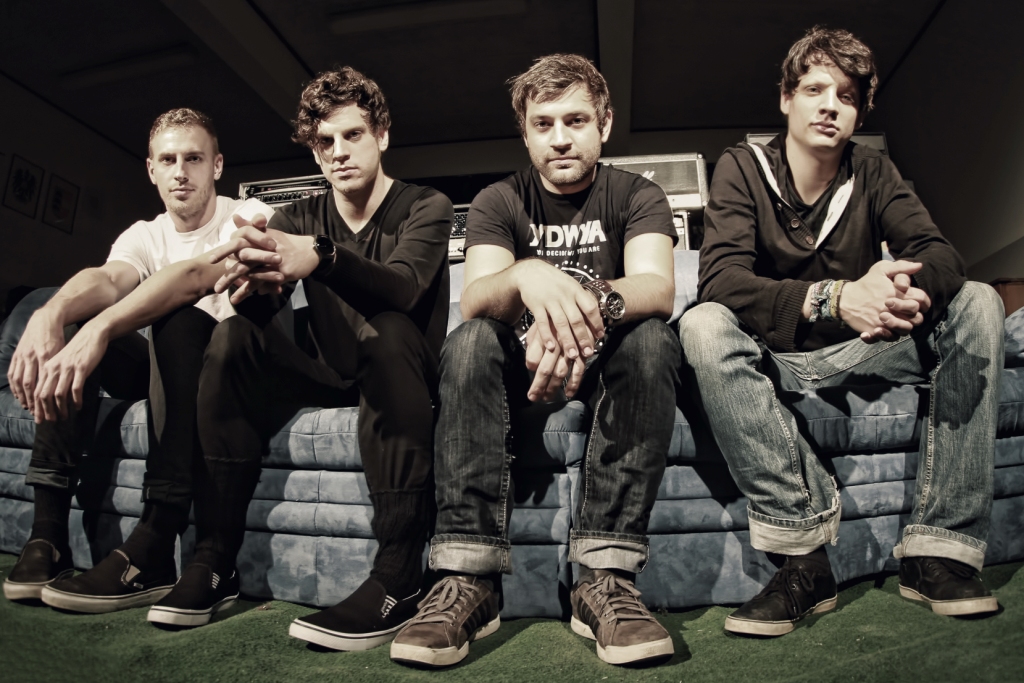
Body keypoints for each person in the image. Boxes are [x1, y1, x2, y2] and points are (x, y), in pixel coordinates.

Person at [679, 26, 1004, 637]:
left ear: (858, 114)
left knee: (978, 299)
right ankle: (805, 560)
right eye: (815, 89)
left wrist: (902, 291)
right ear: (786, 98)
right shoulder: (742, 167)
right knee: (700, 324)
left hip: (863, 352)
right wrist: (834, 298)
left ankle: (939, 552)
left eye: (847, 96)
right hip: (773, 360)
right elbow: (721, 281)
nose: (831, 105)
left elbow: (939, 254)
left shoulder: (873, 170)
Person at [389, 54, 682, 668]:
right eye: (543, 124)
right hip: (521, 367)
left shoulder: (638, 194)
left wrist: (580, 308)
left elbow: (656, 287)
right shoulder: (499, 199)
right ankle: (467, 579)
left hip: (607, 363)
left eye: (575, 120)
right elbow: (477, 298)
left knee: (654, 336)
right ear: (525, 134)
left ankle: (604, 578)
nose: (560, 138)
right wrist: (527, 274)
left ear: (604, 123)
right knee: (469, 339)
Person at [171, 66, 452, 643]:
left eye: (353, 135)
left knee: (388, 329)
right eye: (325, 141)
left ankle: (399, 575)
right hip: (330, 372)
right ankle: (215, 558)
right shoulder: (295, 217)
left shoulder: (426, 205)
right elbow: (263, 308)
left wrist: (321, 255)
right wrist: (253, 284)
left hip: (402, 373)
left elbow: (404, 288)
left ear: (382, 135)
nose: (338, 152)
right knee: (231, 335)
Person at [3, 109, 276, 612]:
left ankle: (155, 542)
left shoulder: (250, 214)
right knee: (72, 327)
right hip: (161, 365)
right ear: (151, 169)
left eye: (194, 159)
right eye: (168, 160)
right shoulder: (144, 234)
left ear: (217, 166)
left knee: (177, 318)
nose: (181, 172)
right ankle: (47, 535)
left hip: (223, 368)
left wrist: (102, 327)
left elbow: (194, 278)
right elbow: (109, 279)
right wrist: (52, 313)